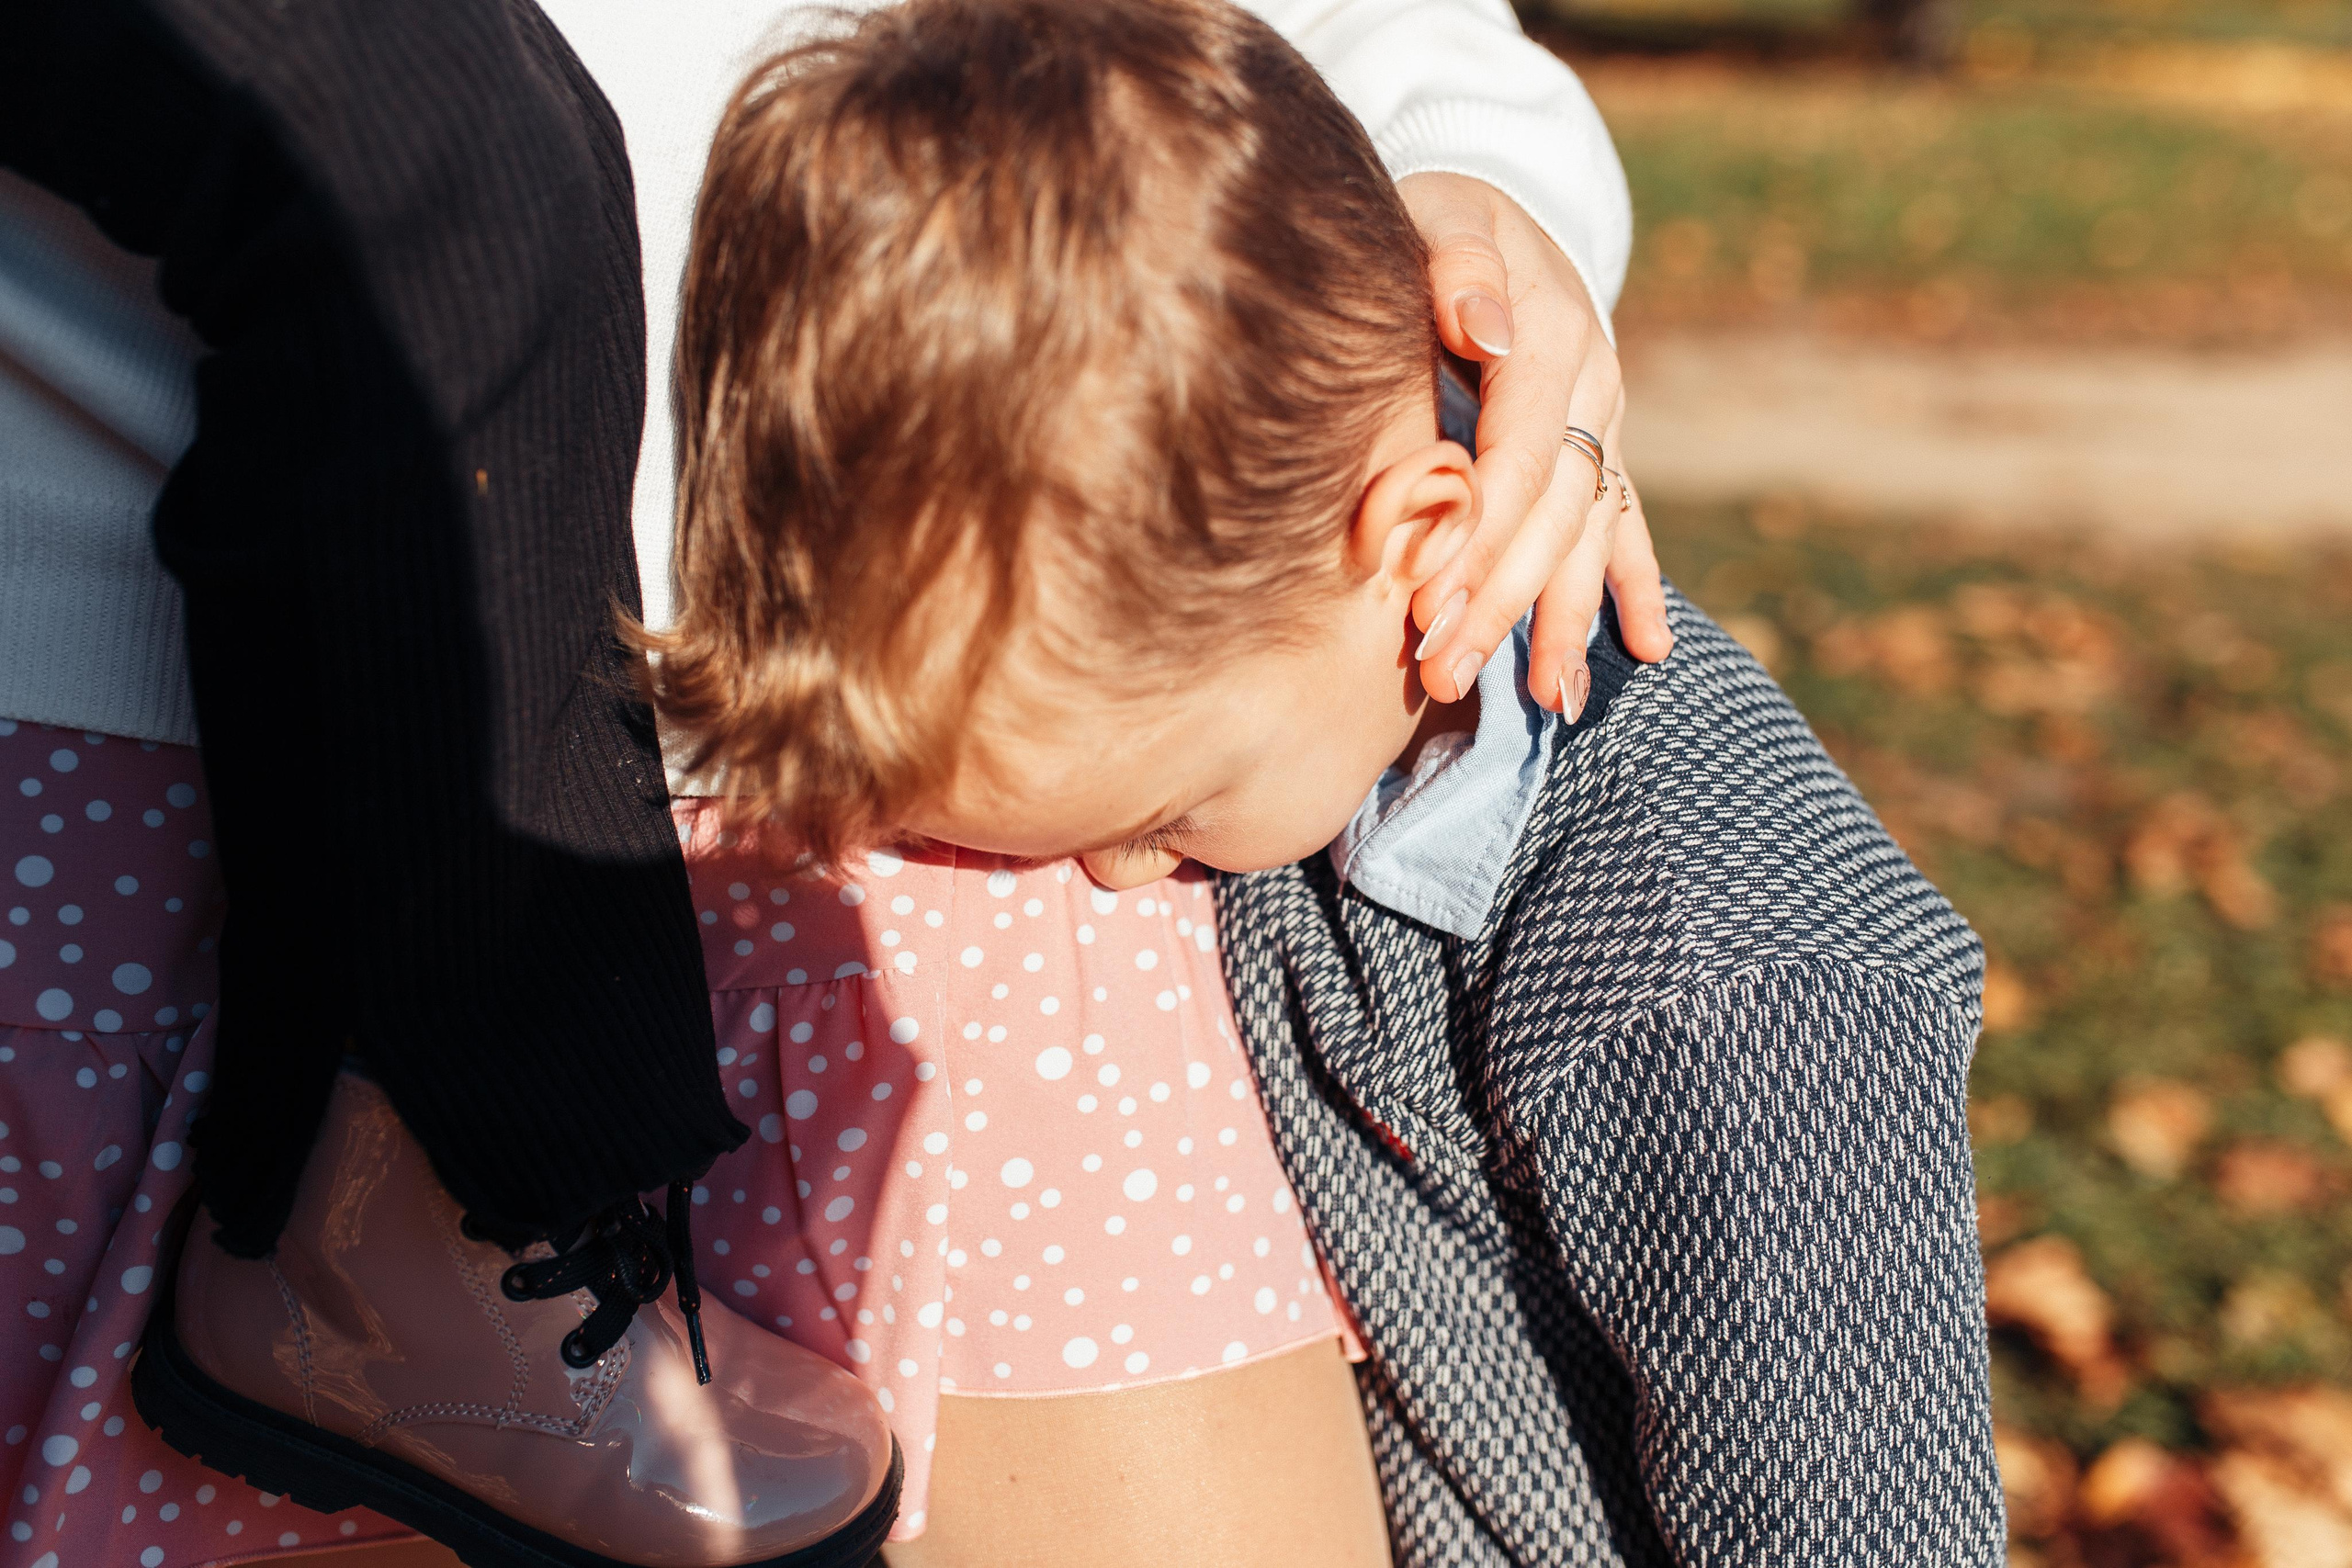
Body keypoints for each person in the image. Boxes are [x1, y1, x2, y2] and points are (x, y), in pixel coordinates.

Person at [0, 2, 1658, 1566]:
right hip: (189, 796)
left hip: (1014, 856)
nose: (1144, 862)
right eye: (1166, 826)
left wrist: (1472, 196)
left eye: (1171, 820)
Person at [650, 2, 2009, 1564]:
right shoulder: (1319, 705)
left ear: (1419, 538)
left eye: (1160, 812)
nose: (1131, 877)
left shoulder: (1727, 982)